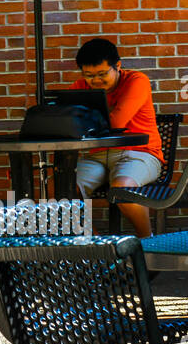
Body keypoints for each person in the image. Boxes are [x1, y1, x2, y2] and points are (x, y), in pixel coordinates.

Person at [69, 38, 164, 238]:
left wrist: (84, 121)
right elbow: (65, 121)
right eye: (89, 75)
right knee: (62, 187)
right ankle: (95, 245)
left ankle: (146, 243)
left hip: (139, 154)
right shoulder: (79, 87)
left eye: (102, 74)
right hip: (97, 156)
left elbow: (117, 121)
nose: (96, 81)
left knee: (123, 187)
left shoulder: (137, 81)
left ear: (118, 66)